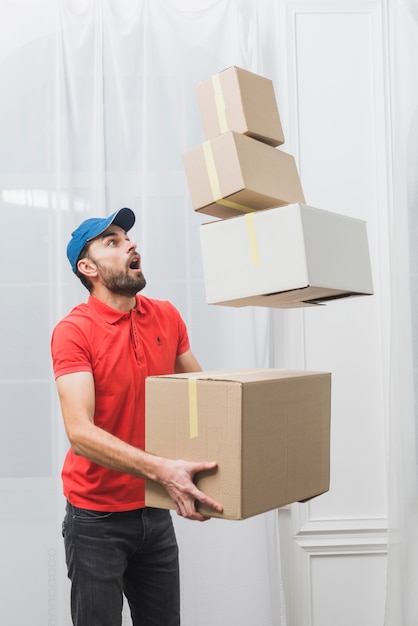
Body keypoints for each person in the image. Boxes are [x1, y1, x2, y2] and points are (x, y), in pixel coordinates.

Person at [50, 207, 223, 626]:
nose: (131, 243)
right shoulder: (74, 331)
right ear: (87, 267)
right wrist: (162, 470)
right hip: (96, 518)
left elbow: (201, 400)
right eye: (113, 241)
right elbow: (80, 433)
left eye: (128, 237)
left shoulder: (165, 315)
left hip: (155, 510)